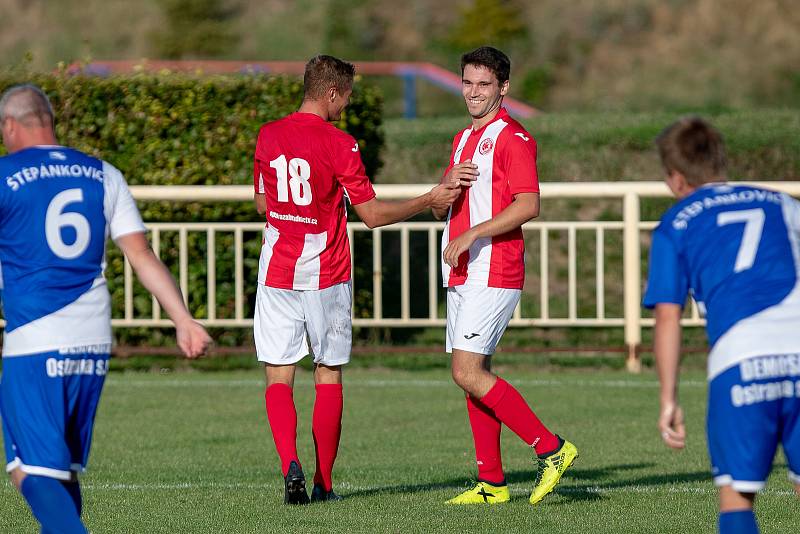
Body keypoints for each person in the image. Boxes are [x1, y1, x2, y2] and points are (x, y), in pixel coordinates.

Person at [0, 84, 211, 533]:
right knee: (63, 469)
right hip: (93, 335)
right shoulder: (103, 174)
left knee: (28, 471)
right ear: (50, 120)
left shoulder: (3, 176)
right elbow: (141, 255)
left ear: (10, 126)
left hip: (34, 337)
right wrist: (183, 321)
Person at [252, 54, 460, 505]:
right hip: (325, 270)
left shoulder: (269, 135)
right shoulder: (339, 142)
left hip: (277, 269)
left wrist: (293, 212)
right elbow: (372, 216)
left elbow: (262, 204)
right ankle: (324, 482)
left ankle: (290, 462)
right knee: (327, 372)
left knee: (278, 373)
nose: (346, 104)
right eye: (345, 96)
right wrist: (429, 198)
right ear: (331, 92)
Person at [433, 46, 578, 505]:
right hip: (462, 270)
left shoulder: (513, 138)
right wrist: (446, 188)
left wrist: (473, 231)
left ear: (503, 88)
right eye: (468, 82)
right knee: (474, 374)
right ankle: (492, 484)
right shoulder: (460, 139)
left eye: (484, 84)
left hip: (494, 267)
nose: (474, 93)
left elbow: (528, 204)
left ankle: (551, 448)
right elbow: (441, 206)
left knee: (466, 370)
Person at [644, 116, 800, 534]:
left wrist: (668, 399)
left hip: (742, 357)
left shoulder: (676, 224)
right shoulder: (785, 203)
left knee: (737, 499)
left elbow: (667, 316)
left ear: (676, 178)